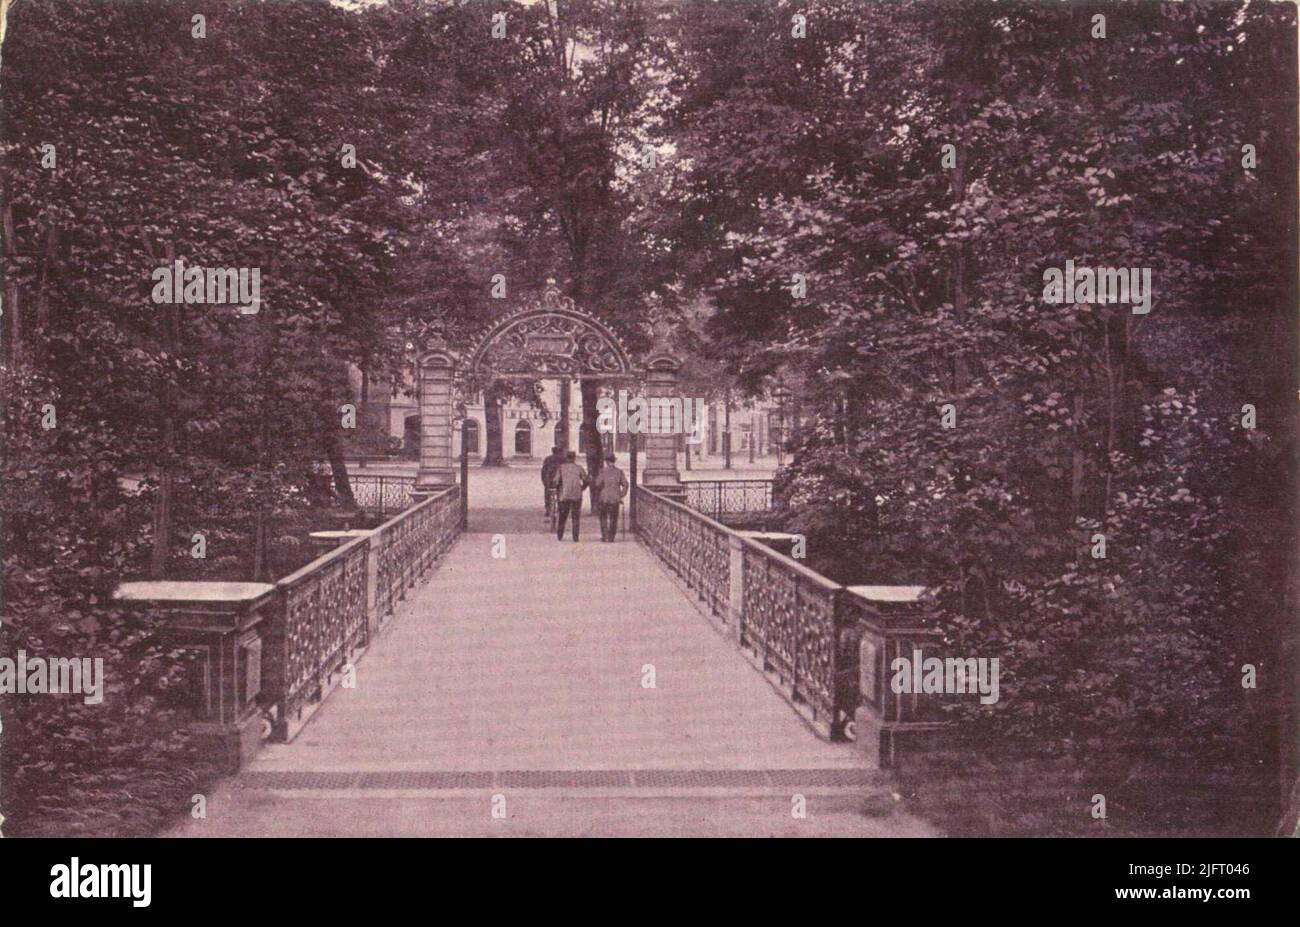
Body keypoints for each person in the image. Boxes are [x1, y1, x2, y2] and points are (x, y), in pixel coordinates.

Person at [552, 450, 588, 542]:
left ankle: (560, 535)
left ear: (566, 457)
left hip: (564, 494)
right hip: (577, 495)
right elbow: (586, 480)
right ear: (574, 458)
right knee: (576, 516)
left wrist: (557, 489)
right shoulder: (579, 468)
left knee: (563, 516)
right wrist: (582, 488)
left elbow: (556, 481)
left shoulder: (561, 468)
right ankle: (575, 537)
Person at [592, 453, 629, 542]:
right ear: (614, 461)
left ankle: (605, 536)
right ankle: (611, 537)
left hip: (604, 498)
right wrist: (621, 494)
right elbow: (626, 484)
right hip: (615, 499)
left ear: (607, 462)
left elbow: (597, 484)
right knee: (613, 518)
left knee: (603, 517)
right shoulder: (619, 472)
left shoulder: (602, 471)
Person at [540, 445, 564, 516]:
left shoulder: (547, 459)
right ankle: (560, 509)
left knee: (548, 494)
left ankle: (548, 509)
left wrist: (543, 480)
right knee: (560, 493)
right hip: (560, 479)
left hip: (549, 479)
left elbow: (543, 470)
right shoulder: (562, 459)